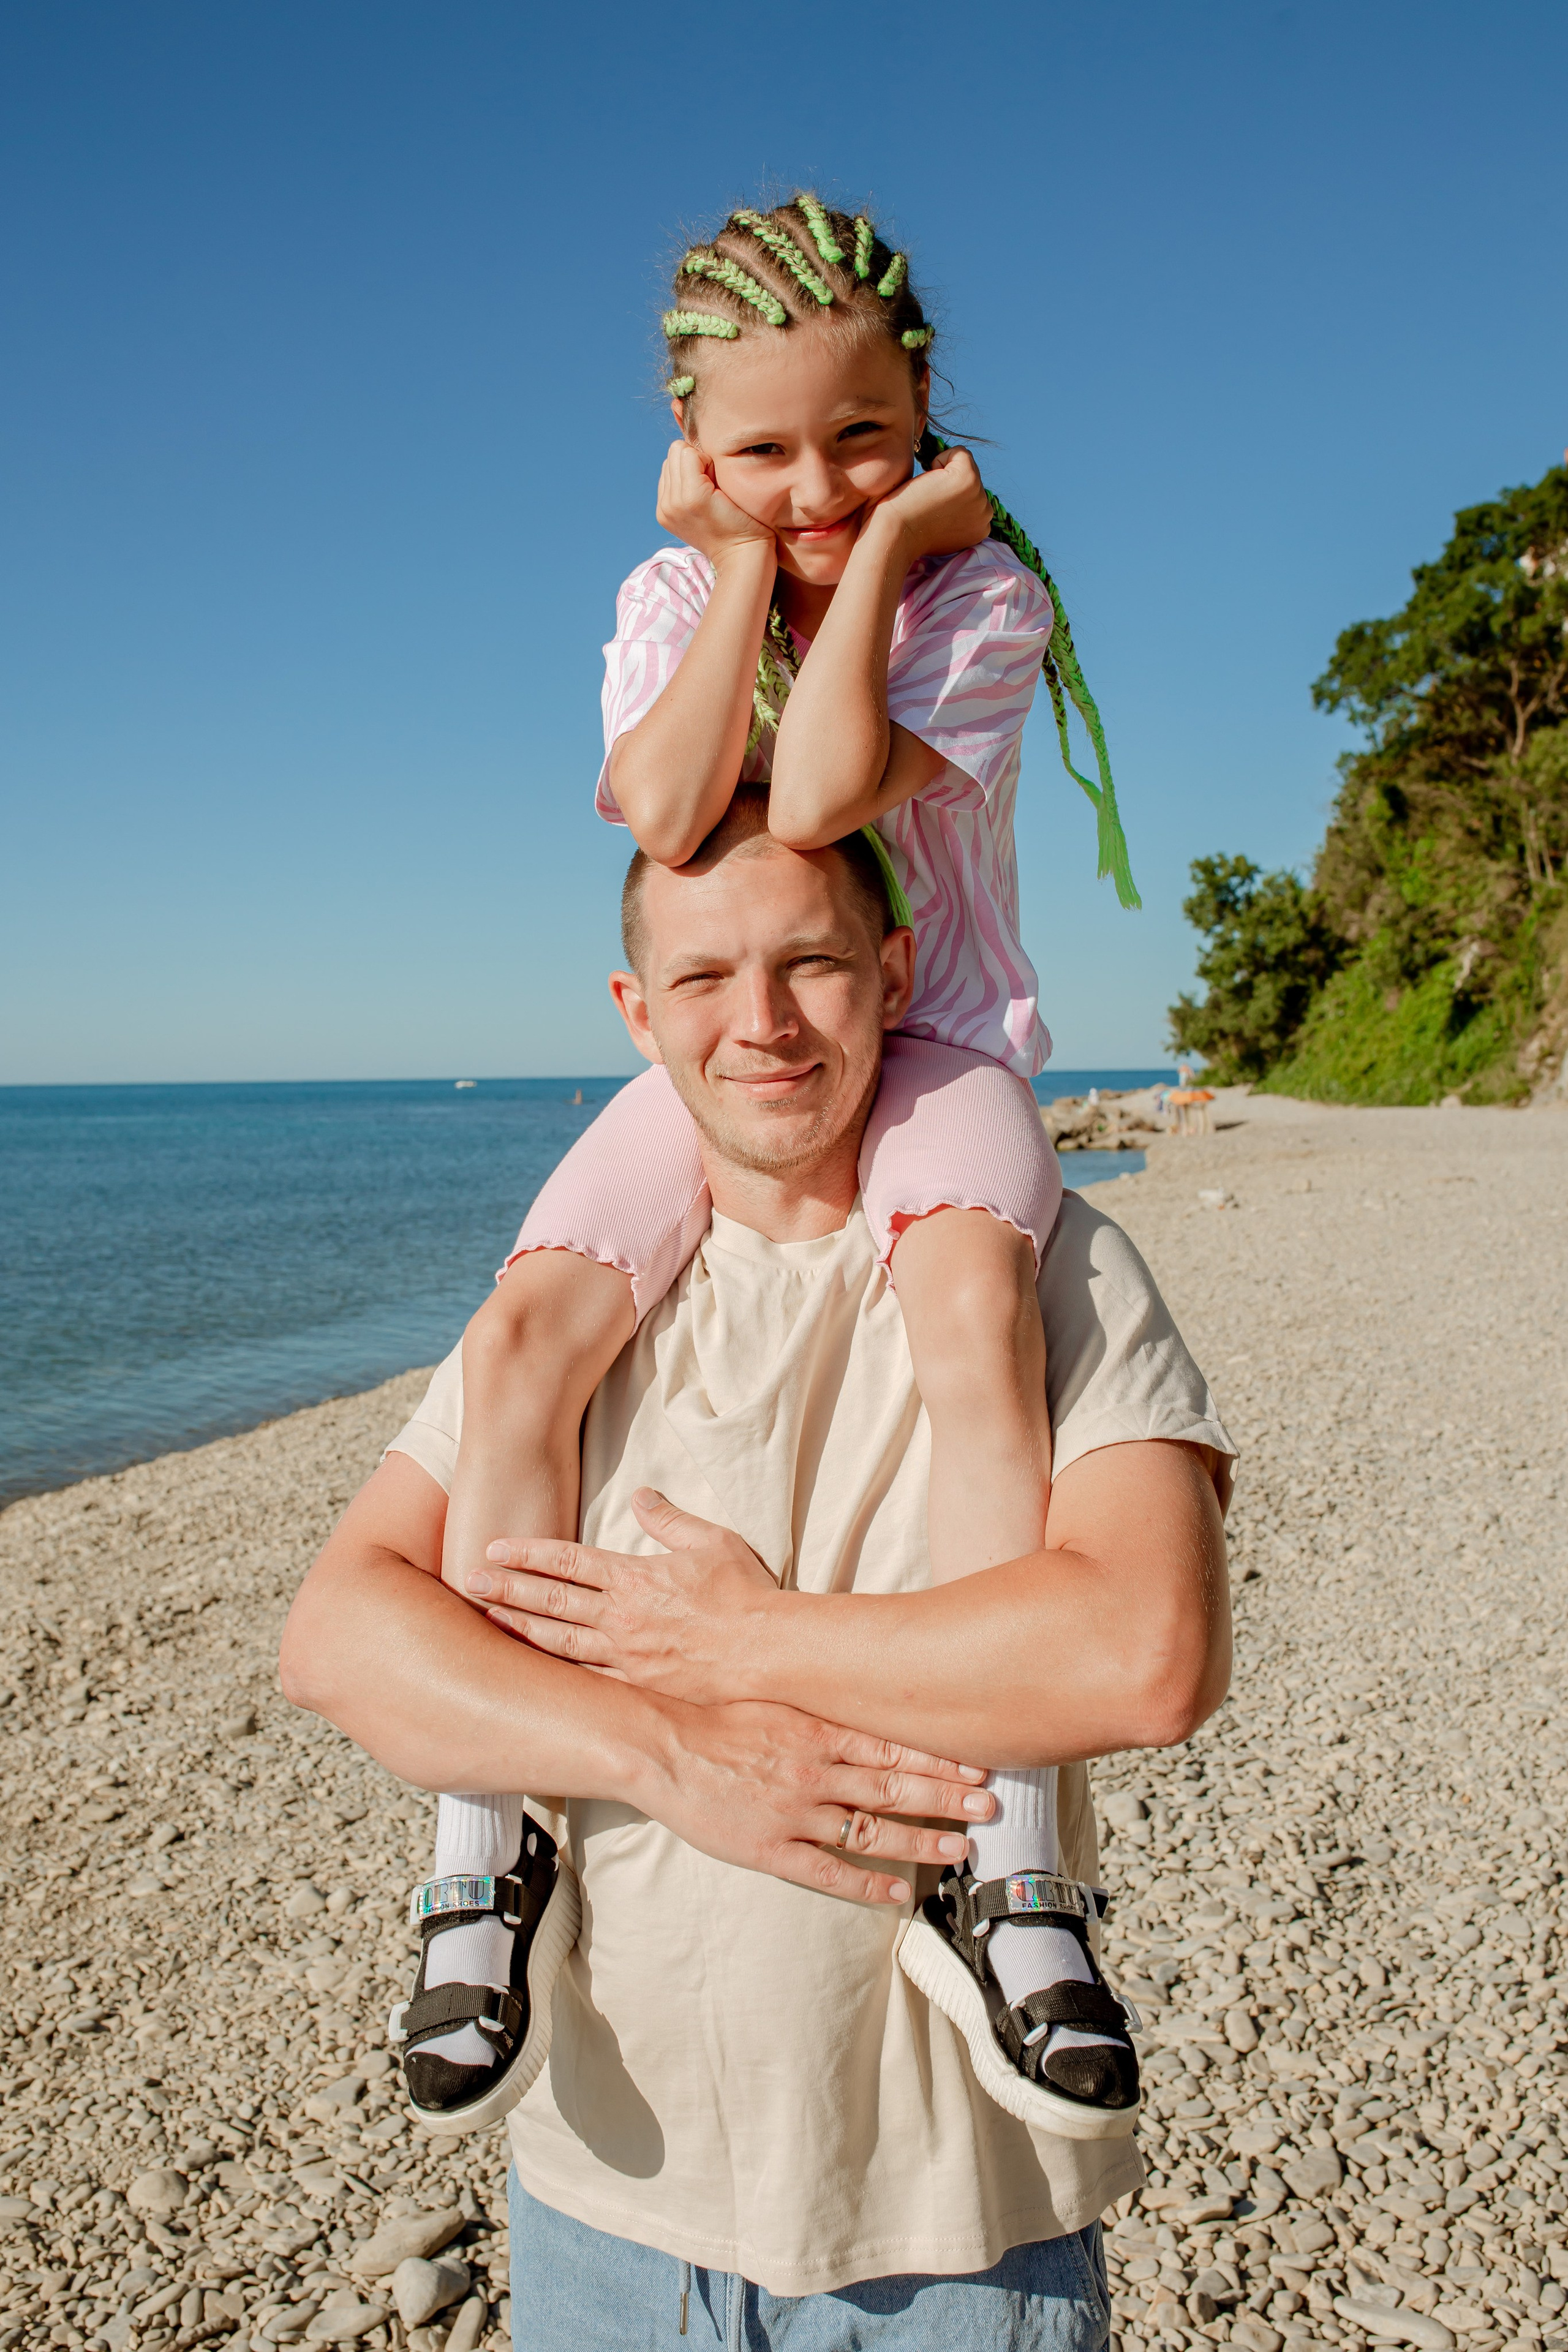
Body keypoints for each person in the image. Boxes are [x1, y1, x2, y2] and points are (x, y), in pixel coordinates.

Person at [281, 803, 1234, 2350]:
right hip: (608, 2196)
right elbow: (339, 1636)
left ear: (894, 969)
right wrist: (662, 1751)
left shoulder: (1050, 1263)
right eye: (707, 978)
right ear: (634, 1013)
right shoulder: (570, 1309)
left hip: (952, 2227)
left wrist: (743, 1639)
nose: (764, 1023)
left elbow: (1144, 1654)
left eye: (811, 965)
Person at [415, 195, 1147, 2130]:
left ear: (929, 421)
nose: (818, 483)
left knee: (971, 1313)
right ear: (693, 451)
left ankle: (1011, 1867)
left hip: (926, 1040)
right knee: (520, 1348)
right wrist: (737, 561)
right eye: (760, 451)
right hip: (731, 1043)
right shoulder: (677, 598)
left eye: (865, 442)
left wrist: (898, 551)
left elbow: (820, 793)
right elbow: (665, 804)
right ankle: (486, 1852)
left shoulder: (985, 603)